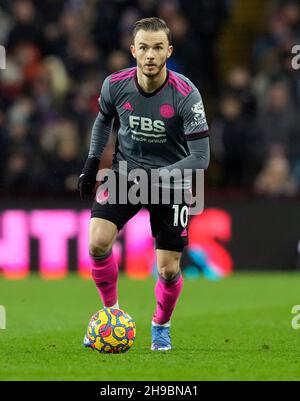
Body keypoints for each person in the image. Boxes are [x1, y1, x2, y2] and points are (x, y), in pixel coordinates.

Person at [78, 17, 210, 351]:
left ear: (168, 51)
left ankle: (161, 325)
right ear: (133, 50)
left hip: (173, 181)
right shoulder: (115, 84)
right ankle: (111, 314)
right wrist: (93, 162)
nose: (150, 55)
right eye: (144, 47)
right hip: (126, 175)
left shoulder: (186, 95)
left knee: (168, 270)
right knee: (97, 242)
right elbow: (103, 120)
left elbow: (201, 158)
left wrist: (160, 177)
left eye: (157, 48)